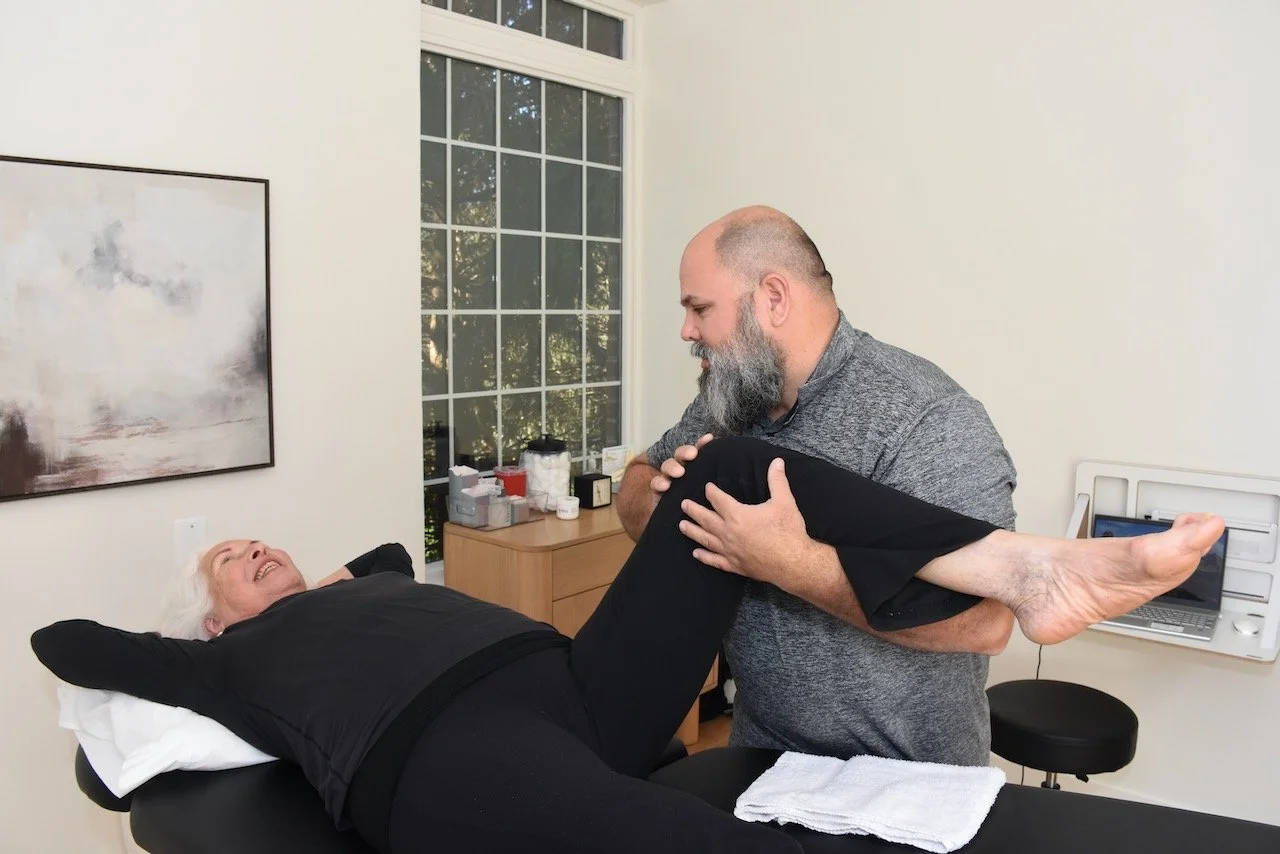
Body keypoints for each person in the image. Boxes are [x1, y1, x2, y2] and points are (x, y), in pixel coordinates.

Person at [33, 438, 1224, 854]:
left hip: (566, 679)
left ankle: (1020, 567)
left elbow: (392, 551)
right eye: (228, 559)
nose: (252, 547)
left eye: (261, 540)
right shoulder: (224, 662)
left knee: (728, 467)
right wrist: (233, 623)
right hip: (440, 748)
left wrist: (316, 579)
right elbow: (63, 638)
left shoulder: (367, 584)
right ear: (209, 619)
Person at [618, 205, 1020, 766]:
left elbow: (987, 622)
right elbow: (637, 479)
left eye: (700, 308)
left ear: (773, 298)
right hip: (760, 757)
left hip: (906, 775)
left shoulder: (927, 417)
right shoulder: (729, 399)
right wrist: (671, 505)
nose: (687, 330)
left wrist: (787, 561)